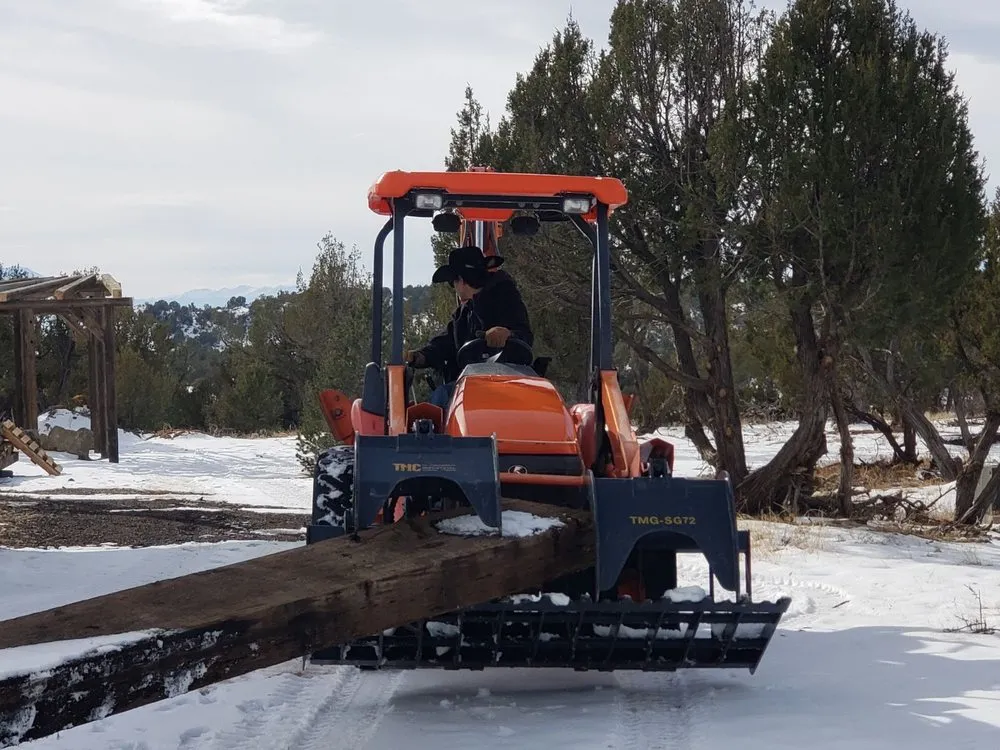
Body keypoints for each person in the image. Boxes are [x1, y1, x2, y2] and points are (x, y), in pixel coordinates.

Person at [405, 245, 533, 409]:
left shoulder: (506, 298)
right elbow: (447, 343)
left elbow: (524, 335)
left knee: (442, 396)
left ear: (461, 280)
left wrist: (507, 334)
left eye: (453, 282)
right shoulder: (464, 314)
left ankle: (435, 435)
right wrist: (422, 356)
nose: (455, 288)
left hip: (508, 378)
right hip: (476, 382)